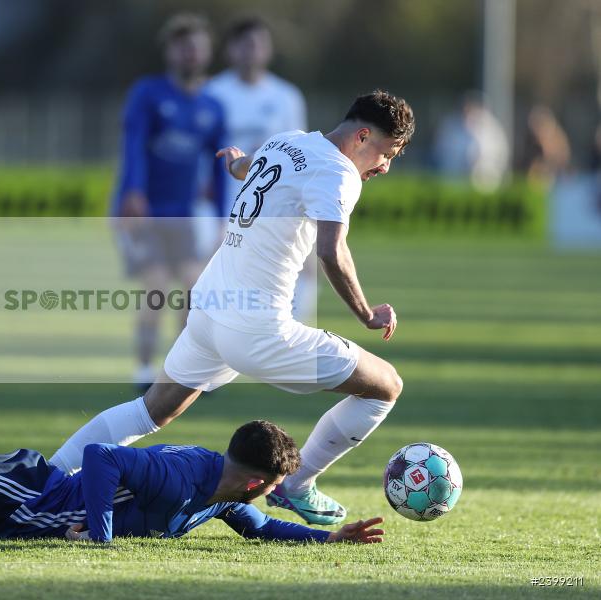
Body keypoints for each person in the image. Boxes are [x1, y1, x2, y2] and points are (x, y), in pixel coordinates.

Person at [0, 258, 383, 545]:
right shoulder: (183, 475)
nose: (271, 494)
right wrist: (97, 532)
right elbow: (103, 458)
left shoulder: (222, 499)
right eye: (273, 485)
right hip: (29, 495)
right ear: (257, 480)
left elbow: (261, 529)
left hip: (8, 522)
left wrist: (330, 538)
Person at [51, 90, 415, 526]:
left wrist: (235, 163)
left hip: (209, 309)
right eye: (387, 152)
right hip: (258, 329)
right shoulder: (339, 173)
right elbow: (332, 251)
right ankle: (297, 486)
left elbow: (249, 169)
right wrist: (366, 313)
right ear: (361, 136)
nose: (385, 167)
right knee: (386, 385)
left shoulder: (288, 141)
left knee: (151, 410)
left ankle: (49, 475)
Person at [113, 13, 227, 387]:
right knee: (158, 288)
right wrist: (134, 192)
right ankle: (144, 370)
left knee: (196, 290)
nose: (190, 53)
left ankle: (180, 374)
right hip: (143, 211)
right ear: (169, 52)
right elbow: (133, 147)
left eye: (196, 45)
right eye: (182, 46)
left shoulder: (213, 106)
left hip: (182, 215)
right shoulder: (148, 93)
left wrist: (224, 216)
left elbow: (220, 165)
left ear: (208, 51)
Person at [205, 15, 315, 323]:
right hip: (223, 203)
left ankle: (290, 333)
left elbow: (298, 155)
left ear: (268, 50)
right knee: (215, 277)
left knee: (304, 266)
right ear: (230, 50)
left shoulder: (286, 96)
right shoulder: (213, 93)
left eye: (257, 44)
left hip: (274, 203)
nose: (251, 51)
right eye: (243, 44)